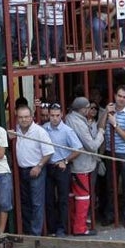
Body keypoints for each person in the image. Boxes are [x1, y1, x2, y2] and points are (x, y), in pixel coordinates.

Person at [14, 103, 53, 237]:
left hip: (36, 171)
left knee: (37, 203)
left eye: (26, 117)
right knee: (25, 202)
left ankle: (36, 234)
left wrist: (39, 166)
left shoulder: (39, 131)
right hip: (22, 170)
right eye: (20, 117)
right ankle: (28, 231)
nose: (23, 120)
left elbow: (49, 152)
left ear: (31, 117)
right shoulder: (16, 130)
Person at [66, 97, 103, 236]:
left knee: (73, 196)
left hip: (73, 164)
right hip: (81, 165)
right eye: (88, 107)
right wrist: (101, 132)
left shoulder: (70, 117)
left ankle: (74, 224)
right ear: (82, 109)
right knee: (83, 197)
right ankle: (80, 228)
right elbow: (92, 146)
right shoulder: (78, 123)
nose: (89, 110)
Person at [43, 102, 81, 238]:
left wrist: (65, 161)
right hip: (48, 166)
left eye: (57, 115)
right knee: (49, 199)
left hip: (62, 168)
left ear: (62, 115)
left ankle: (62, 228)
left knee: (63, 199)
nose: (54, 118)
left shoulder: (67, 130)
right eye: (52, 115)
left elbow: (78, 149)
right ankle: (52, 228)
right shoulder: (44, 128)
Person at [103, 86, 125, 228]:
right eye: (119, 96)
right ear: (114, 95)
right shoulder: (109, 110)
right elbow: (101, 126)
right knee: (110, 186)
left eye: (124, 97)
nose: (121, 99)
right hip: (109, 151)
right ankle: (110, 215)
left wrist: (115, 124)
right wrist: (106, 114)